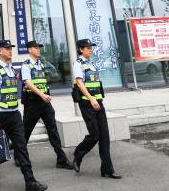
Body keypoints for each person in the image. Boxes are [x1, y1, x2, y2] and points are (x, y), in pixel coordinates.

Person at [0, 39, 49, 191]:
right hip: (0, 116)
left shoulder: (11, 69)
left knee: (21, 147)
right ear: (0, 51)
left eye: (11, 48)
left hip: (15, 114)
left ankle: (30, 182)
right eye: (7, 49)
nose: (10, 51)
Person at [71, 38, 121, 179]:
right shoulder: (78, 64)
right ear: (81, 49)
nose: (90, 50)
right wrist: (91, 99)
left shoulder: (91, 64)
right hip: (87, 104)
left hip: (98, 103)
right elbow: (80, 84)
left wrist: (97, 99)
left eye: (91, 48)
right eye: (87, 48)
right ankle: (78, 154)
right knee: (94, 135)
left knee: (104, 136)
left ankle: (107, 169)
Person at [21, 40, 73, 170]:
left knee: (53, 130)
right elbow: (28, 83)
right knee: (26, 131)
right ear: (29, 50)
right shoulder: (26, 65)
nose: (38, 49)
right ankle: (18, 154)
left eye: (39, 47)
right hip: (33, 102)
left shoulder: (41, 64)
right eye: (36, 47)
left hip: (45, 103)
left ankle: (61, 159)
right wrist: (41, 95)